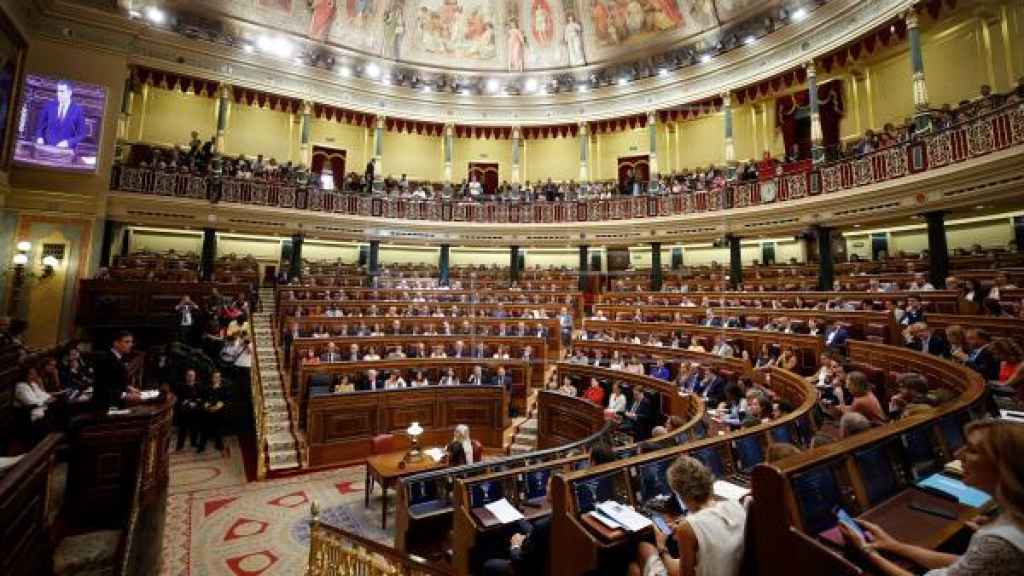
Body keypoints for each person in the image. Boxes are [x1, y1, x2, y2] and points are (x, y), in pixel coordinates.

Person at [839, 420, 1024, 576]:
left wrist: (867, 550)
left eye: (972, 450)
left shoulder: (999, 541)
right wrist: (895, 546)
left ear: (1004, 466)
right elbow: (965, 564)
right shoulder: (1011, 514)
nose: (958, 454)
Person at [629, 455, 747, 576]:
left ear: (679, 493)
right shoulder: (735, 505)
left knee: (641, 554)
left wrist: (661, 546)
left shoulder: (688, 526)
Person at [483, 479, 552, 576]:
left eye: (548, 485)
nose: (546, 488)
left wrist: (515, 546)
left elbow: (520, 562)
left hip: (531, 569)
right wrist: (519, 520)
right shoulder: (559, 517)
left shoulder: (541, 526)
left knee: (489, 564)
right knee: (517, 524)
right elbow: (536, 531)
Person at [93, 331, 141, 409]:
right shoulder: (105, 360)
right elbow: (102, 388)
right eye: (127, 342)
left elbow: (113, 382)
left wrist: (127, 387)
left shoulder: (118, 358)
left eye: (131, 342)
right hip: (105, 407)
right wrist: (125, 395)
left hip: (115, 403)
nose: (131, 345)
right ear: (116, 343)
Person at [33, 80, 87, 150]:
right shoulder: (49, 106)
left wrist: (68, 142)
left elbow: (81, 134)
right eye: (58, 91)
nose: (58, 94)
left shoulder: (78, 110)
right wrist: (39, 137)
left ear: (69, 93)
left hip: (66, 151)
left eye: (62, 91)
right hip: (47, 148)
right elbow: (40, 127)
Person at [198, 370, 228, 453]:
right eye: (214, 377)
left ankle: (219, 444)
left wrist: (216, 408)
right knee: (204, 429)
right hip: (207, 411)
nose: (216, 379)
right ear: (211, 378)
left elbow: (224, 400)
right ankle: (202, 446)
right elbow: (203, 399)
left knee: (218, 429)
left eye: (218, 377)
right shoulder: (206, 388)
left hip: (219, 411)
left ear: (220, 378)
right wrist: (208, 407)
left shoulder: (223, 388)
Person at [175, 369, 202, 451]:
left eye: (192, 376)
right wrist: (185, 403)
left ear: (195, 377)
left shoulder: (198, 386)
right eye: (189, 375)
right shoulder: (181, 386)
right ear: (186, 376)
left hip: (195, 410)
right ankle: (180, 445)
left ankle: (193, 443)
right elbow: (178, 399)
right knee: (182, 429)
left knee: (195, 428)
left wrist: (195, 403)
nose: (191, 377)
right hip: (184, 411)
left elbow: (201, 398)